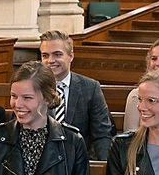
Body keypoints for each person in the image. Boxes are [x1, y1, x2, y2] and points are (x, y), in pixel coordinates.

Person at [39, 30, 113, 160]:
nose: (50, 61)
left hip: (78, 161)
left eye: (57, 54)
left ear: (71, 56)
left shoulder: (90, 88)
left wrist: (103, 167)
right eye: (45, 55)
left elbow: (102, 134)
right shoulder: (35, 87)